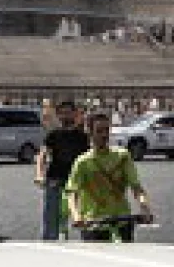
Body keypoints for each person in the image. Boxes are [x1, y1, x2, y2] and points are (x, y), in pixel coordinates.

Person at [65, 112, 153, 243]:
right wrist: (76, 215)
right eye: (99, 131)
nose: (104, 135)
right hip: (94, 223)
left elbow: (136, 187)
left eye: (106, 130)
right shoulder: (82, 162)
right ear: (90, 133)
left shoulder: (122, 156)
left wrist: (144, 207)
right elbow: (72, 193)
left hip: (122, 219)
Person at [34, 101, 89, 240]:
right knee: (51, 218)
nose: (66, 116)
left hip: (77, 181)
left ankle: (89, 243)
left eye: (69, 112)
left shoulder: (82, 137)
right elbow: (42, 155)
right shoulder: (53, 135)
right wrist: (39, 174)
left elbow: (89, 159)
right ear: (58, 116)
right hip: (55, 180)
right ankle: (49, 246)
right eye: (63, 113)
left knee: (84, 216)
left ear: (75, 114)